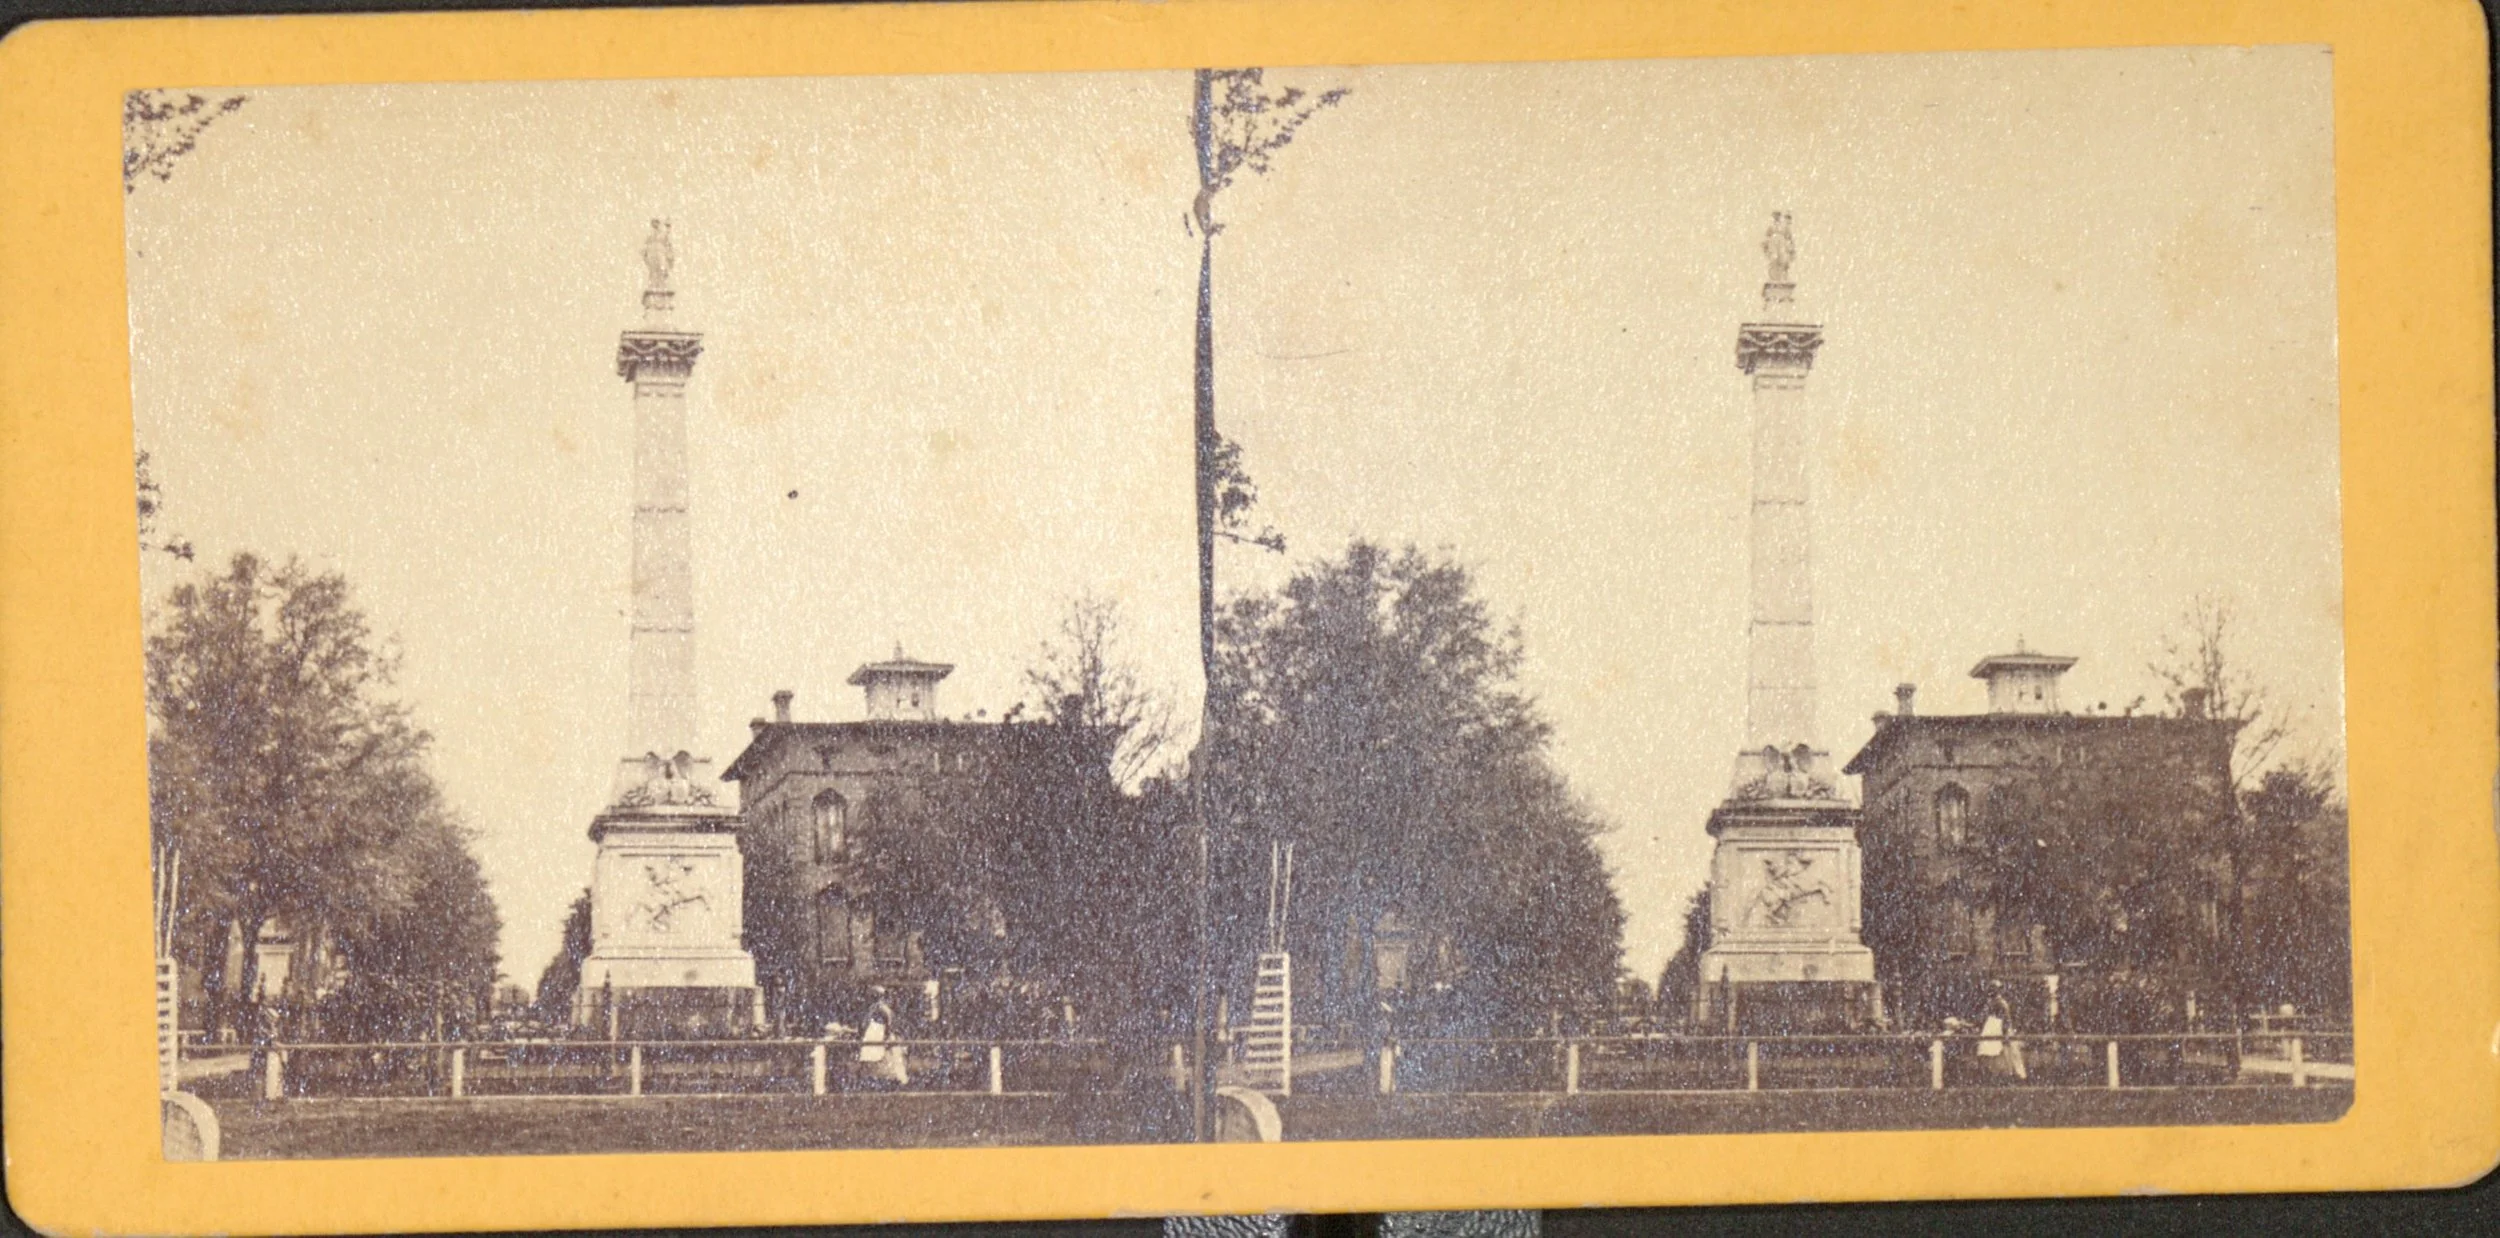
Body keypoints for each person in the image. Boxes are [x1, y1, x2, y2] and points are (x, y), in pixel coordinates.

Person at [858, 988, 908, 1089]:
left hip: (879, 1034)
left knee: (893, 1056)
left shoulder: (883, 1010)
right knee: (873, 1057)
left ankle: (898, 1080)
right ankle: (870, 1081)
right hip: (876, 1033)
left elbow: (890, 1026)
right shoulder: (878, 1009)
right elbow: (868, 1024)